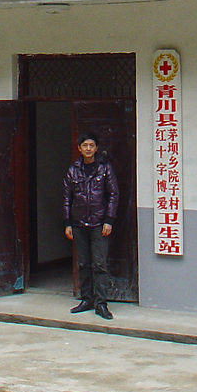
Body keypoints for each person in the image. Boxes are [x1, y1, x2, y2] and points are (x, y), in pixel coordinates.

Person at [62, 131, 119, 320]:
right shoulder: (73, 170)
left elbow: (113, 195)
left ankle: (101, 304)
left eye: (91, 145)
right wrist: (67, 223)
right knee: (83, 263)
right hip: (78, 224)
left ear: (96, 148)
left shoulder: (105, 168)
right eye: (84, 145)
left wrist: (109, 220)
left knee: (99, 264)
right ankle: (87, 299)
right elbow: (66, 198)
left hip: (99, 223)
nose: (88, 149)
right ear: (79, 148)